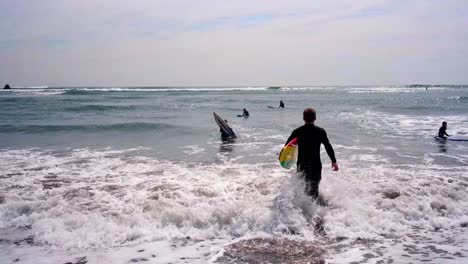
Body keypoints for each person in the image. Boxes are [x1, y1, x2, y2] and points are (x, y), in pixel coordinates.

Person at [285, 107, 338, 200]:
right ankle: (314, 210)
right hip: (316, 165)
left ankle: (302, 209)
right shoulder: (320, 131)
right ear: (315, 118)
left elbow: (287, 147)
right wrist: (334, 161)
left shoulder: (297, 131)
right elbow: (327, 146)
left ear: (303, 118)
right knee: (314, 188)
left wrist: (285, 159)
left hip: (302, 164)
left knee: (303, 187)